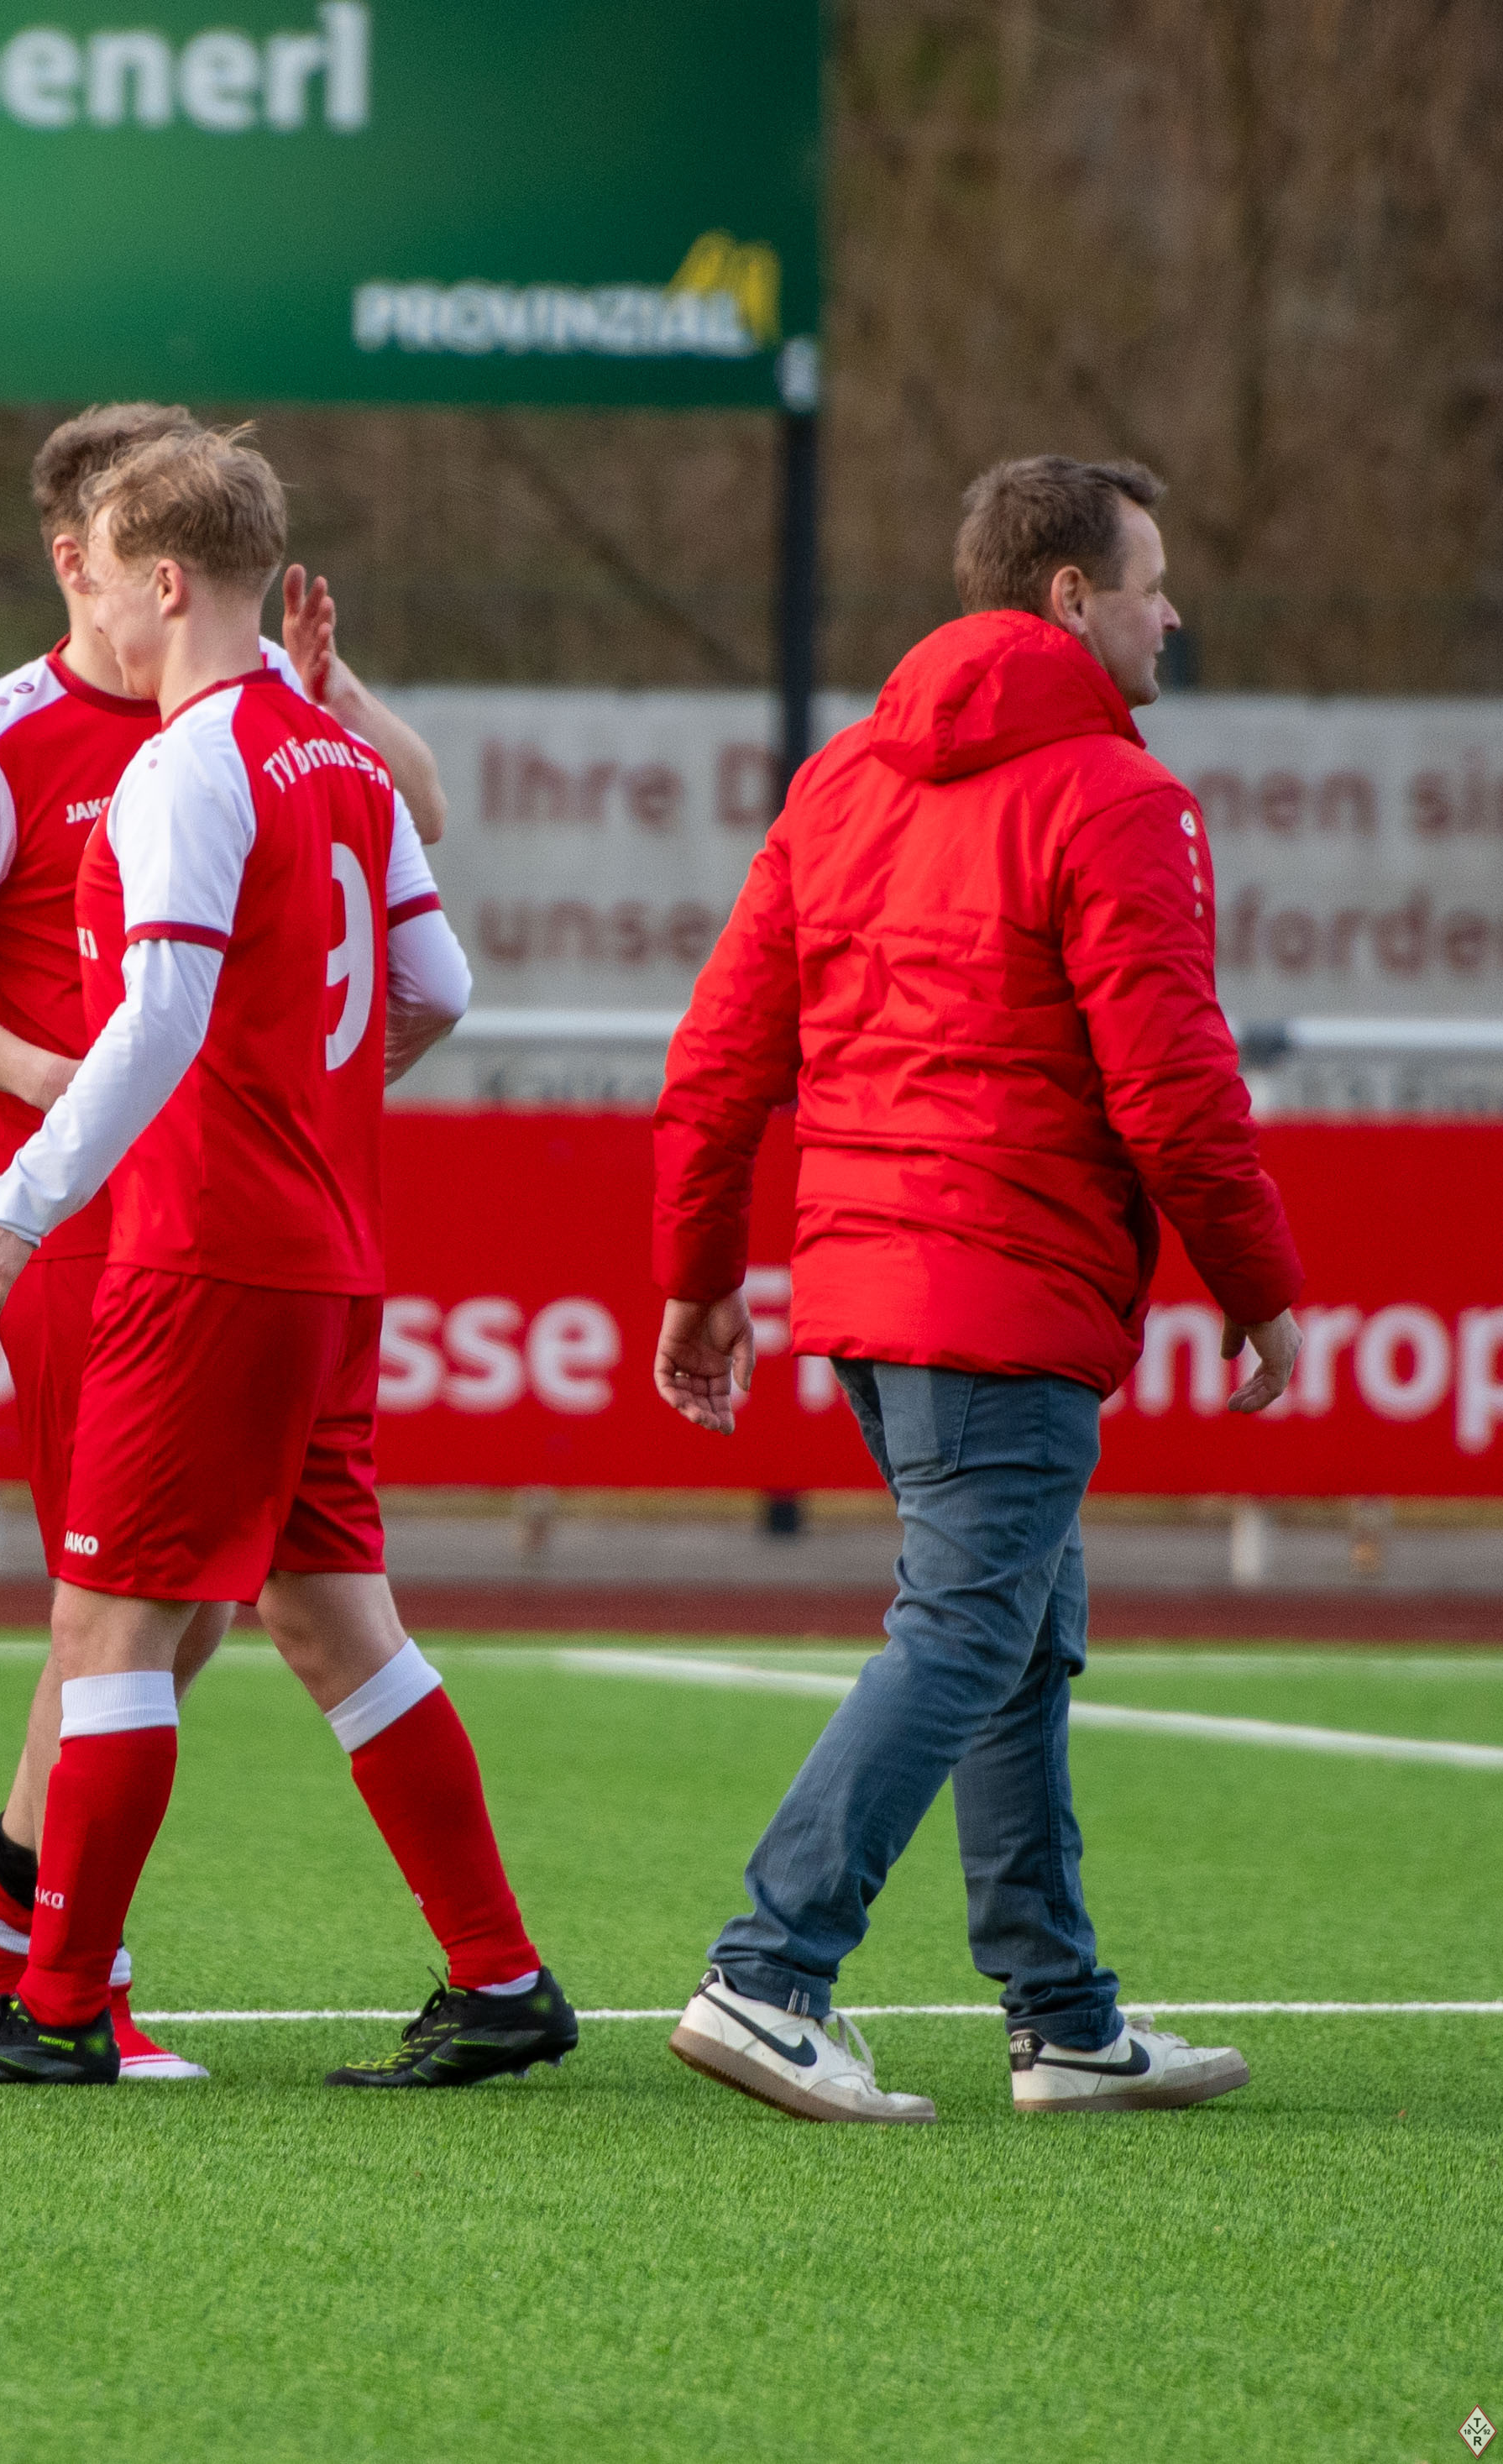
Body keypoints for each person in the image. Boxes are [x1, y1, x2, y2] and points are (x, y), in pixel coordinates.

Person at [0, 427, 571, 2086]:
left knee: (110, 1629)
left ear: (164, 582)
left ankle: (54, 2011)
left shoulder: (185, 763)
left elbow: (157, 1015)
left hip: (202, 1254)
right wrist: (305, 1097)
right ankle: (498, 1976)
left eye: (103, 574)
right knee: (334, 1624)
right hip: (328, 1251)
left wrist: (17, 1199)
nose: (90, 605)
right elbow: (440, 989)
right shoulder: (334, 757)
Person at [652, 455, 1300, 2124]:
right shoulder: (1115, 797)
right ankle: (767, 1969)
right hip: (1004, 1291)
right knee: (964, 1630)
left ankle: (1061, 2017)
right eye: (1149, 583)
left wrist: (697, 1275)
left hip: (871, 1294)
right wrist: (1259, 1285)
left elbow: (715, 1058)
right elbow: (1172, 1088)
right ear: (1069, 596)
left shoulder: (838, 780)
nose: (1172, 614)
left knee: (1012, 1636)